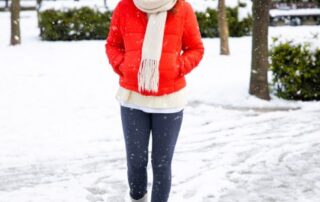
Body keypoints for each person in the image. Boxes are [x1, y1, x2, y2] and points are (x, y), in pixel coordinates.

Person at [105, 0, 204, 201]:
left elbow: (196, 48)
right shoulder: (125, 7)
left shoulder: (182, 8)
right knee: (136, 161)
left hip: (169, 102)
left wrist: (176, 67)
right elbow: (113, 45)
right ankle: (137, 198)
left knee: (161, 162)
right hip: (133, 98)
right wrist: (125, 67)